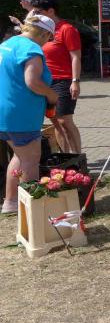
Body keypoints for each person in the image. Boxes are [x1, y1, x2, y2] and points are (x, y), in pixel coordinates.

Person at [1, 15, 60, 214]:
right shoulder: (31, 49)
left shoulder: (7, 44)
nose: (48, 42)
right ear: (44, 33)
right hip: (21, 114)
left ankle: (11, 203)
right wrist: (51, 94)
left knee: (19, 157)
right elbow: (32, 81)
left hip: (6, 112)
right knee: (31, 159)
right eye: (49, 37)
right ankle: (32, 208)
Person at [34, 0, 82, 154]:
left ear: (51, 11)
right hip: (46, 81)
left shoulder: (67, 29)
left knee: (64, 120)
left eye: (39, 12)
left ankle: (78, 157)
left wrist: (75, 81)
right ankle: (65, 157)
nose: (36, 15)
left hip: (63, 80)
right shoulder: (42, 30)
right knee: (55, 121)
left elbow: (75, 56)